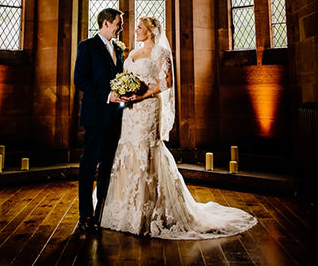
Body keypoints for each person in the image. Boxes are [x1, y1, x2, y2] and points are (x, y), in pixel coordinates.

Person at [99, 16, 258, 239]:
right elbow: (126, 76)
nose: (135, 30)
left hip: (148, 108)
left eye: (139, 27)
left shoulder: (160, 52)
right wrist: (125, 91)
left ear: (151, 31)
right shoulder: (132, 52)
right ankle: (126, 209)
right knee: (128, 150)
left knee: (147, 150)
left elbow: (167, 82)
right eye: (136, 27)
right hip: (130, 111)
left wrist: (143, 93)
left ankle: (150, 211)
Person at [74, 7, 126, 233]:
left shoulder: (118, 49)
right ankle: (85, 215)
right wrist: (107, 95)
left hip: (115, 117)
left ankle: (101, 212)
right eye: (117, 23)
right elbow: (80, 80)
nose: (120, 28)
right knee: (89, 165)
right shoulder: (87, 46)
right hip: (95, 116)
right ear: (105, 23)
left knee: (107, 165)